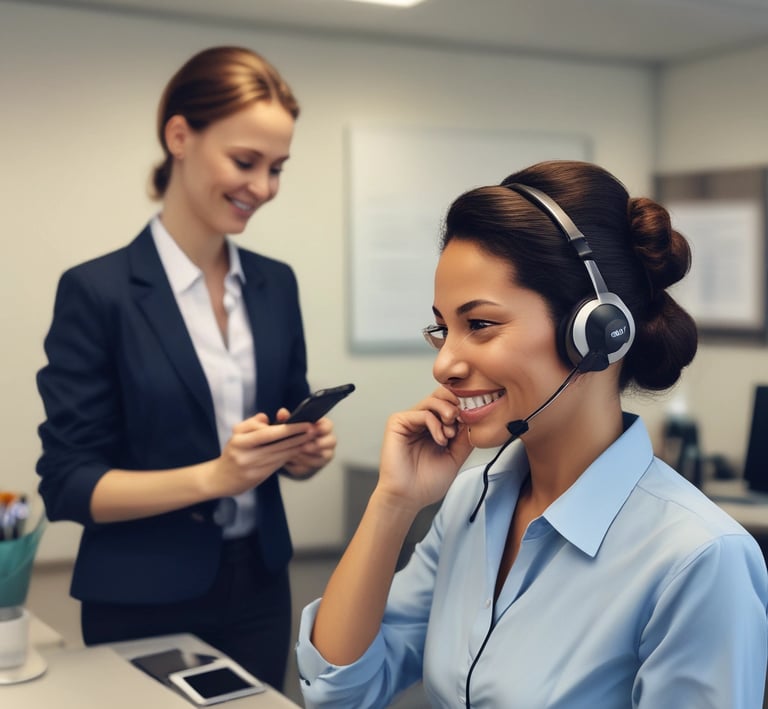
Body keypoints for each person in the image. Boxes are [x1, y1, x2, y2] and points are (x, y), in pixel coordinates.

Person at [295, 160, 768, 707]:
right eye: (442, 329)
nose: (444, 363)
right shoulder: (472, 502)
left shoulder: (699, 559)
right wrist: (393, 504)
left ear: (595, 331)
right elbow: (340, 692)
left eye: (480, 325)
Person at [36, 45, 336, 691]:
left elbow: (285, 416)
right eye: (245, 161)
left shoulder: (275, 285)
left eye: (277, 167)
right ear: (179, 135)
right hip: (140, 593)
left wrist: (303, 449)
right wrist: (217, 476)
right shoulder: (98, 292)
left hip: (259, 586)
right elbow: (69, 483)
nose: (263, 187)